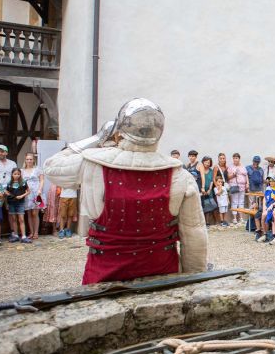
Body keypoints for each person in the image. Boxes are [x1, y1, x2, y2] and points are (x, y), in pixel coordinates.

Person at [44, 99, 207, 284]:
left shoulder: (92, 164)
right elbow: (194, 234)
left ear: (120, 130)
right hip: (163, 277)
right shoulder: (180, 175)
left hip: (104, 276)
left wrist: (99, 137)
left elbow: (51, 166)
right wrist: (193, 280)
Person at [22, 153, 45, 240]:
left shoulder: (38, 169)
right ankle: (31, 232)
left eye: (30, 159)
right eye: (27, 159)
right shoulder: (22, 171)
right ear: (25, 160)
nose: (29, 161)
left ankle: (36, 232)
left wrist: (40, 189)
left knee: (35, 213)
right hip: (27, 193)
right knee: (29, 213)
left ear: (33, 160)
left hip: (36, 192)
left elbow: (42, 180)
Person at [4, 168, 29, 243]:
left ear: (20, 174)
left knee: (21, 219)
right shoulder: (9, 183)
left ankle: (24, 236)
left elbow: (28, 191)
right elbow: (6, 191)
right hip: (12, 203)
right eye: (15, 174)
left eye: (18, 174)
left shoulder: (23, 182)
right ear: (12, 174)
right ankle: (16, 235)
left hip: (20, 203)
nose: (17, 175)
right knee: (14, 219)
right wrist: (8, 196)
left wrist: (22, 196)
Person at [227, 153, 249, 225]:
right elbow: (228, 177)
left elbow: (246, 176)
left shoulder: (243, 167)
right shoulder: (230, 167)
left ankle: (241, 218)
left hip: (242, 186)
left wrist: (247, 183)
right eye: (234, 158)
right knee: (234, 201)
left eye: (236, 158)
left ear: (239, 159)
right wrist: (234, 174)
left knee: (241, 202)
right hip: (234, 186)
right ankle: (234, 218)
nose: (235, 159)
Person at [199, 156, 217, 225]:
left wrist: (209, 189)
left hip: (209, 191)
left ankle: (207, 222)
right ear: (203, 162)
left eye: (208, 162)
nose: (207, 163)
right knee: (201, 205)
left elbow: (212, 181)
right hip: (201, 190)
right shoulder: (200, 169)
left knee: (208, 206)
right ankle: (202, 222)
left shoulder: (211, 171)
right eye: (205, 162)